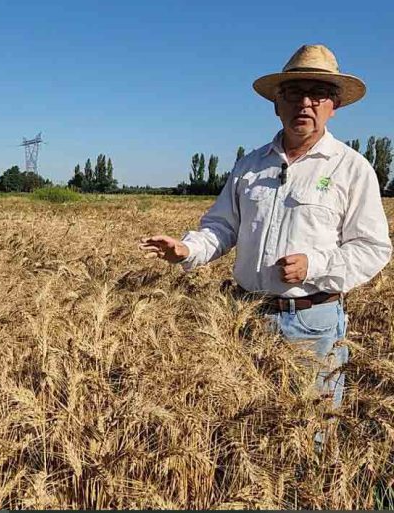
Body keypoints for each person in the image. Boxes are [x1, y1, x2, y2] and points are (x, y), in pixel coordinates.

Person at [139, 44, 392, 413]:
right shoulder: (250, 165)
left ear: (333, 106)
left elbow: (373, 248)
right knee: (245, 423)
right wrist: (187, 250)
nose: (305, 103)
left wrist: (314, 265)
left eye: (318, 93)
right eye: (293, 93)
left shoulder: (352, 169)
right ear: (277, 104)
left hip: (312, 324)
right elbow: (222, 227)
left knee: (310, 429)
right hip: (246, 316)